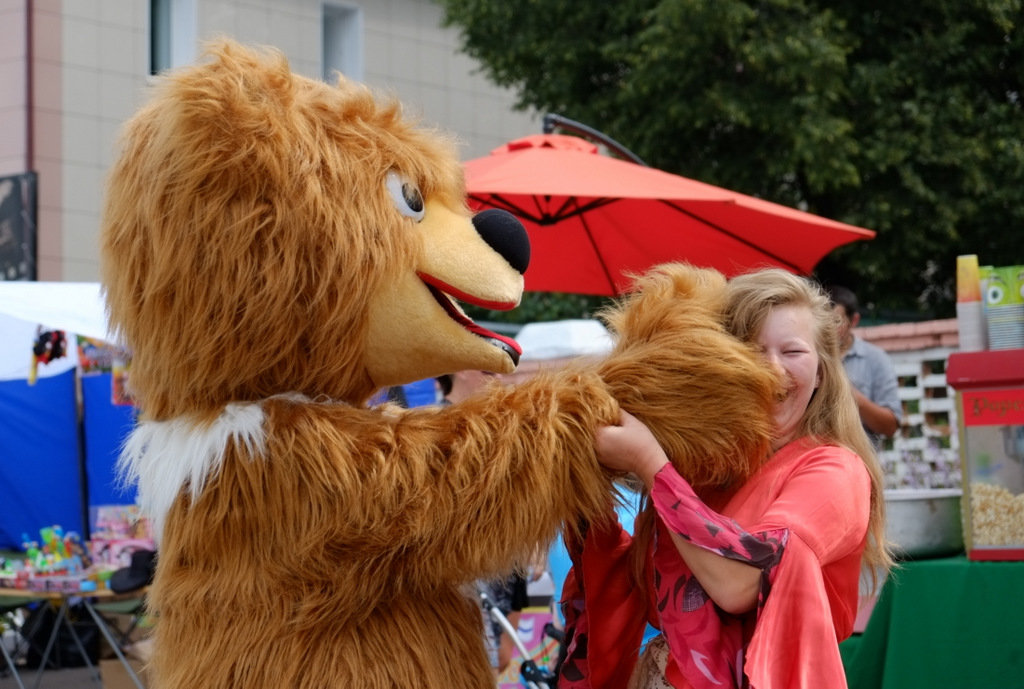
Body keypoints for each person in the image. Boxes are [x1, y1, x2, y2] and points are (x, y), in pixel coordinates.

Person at [558, 268, 892, 689]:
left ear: (822, 372)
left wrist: (651, 464)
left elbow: (743, 582)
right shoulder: (708, 472)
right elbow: (641, 587)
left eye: (792, 352)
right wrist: (586, 490)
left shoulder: (834, 471)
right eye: (751, 350)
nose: (772, 370)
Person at [435, 369, 532, 674]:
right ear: (460, 368)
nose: (499, 378)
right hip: (454, 605)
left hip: (500, 597)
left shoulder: (499, 430)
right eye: (489, 370)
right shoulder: (430, 431)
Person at [827, 285, 902, 445]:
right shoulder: (808, 358)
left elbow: (890, 427)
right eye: (822, 321)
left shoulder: (875, 358)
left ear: (854, 320)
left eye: (836, 321)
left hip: (861, 463)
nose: (828, 329)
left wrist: (852, 396)